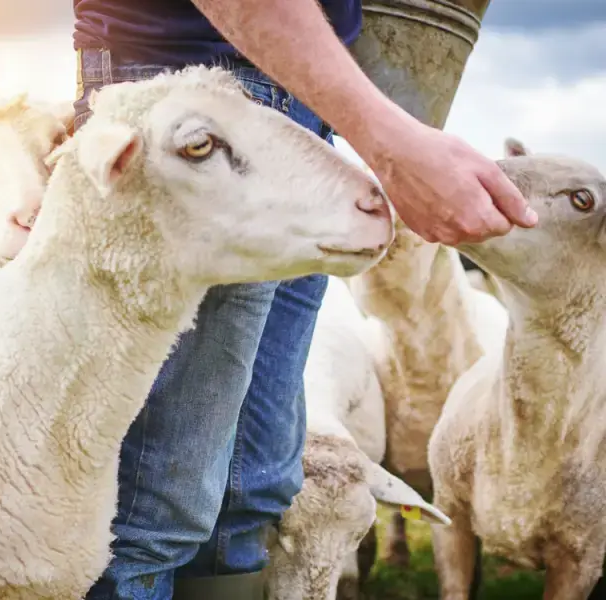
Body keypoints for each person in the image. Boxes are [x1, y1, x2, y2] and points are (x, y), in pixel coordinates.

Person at [72, 2, 538, 599]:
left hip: (301, 106)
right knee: (156, 504)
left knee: (253, 490)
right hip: (189, 99)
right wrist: (391, 142)